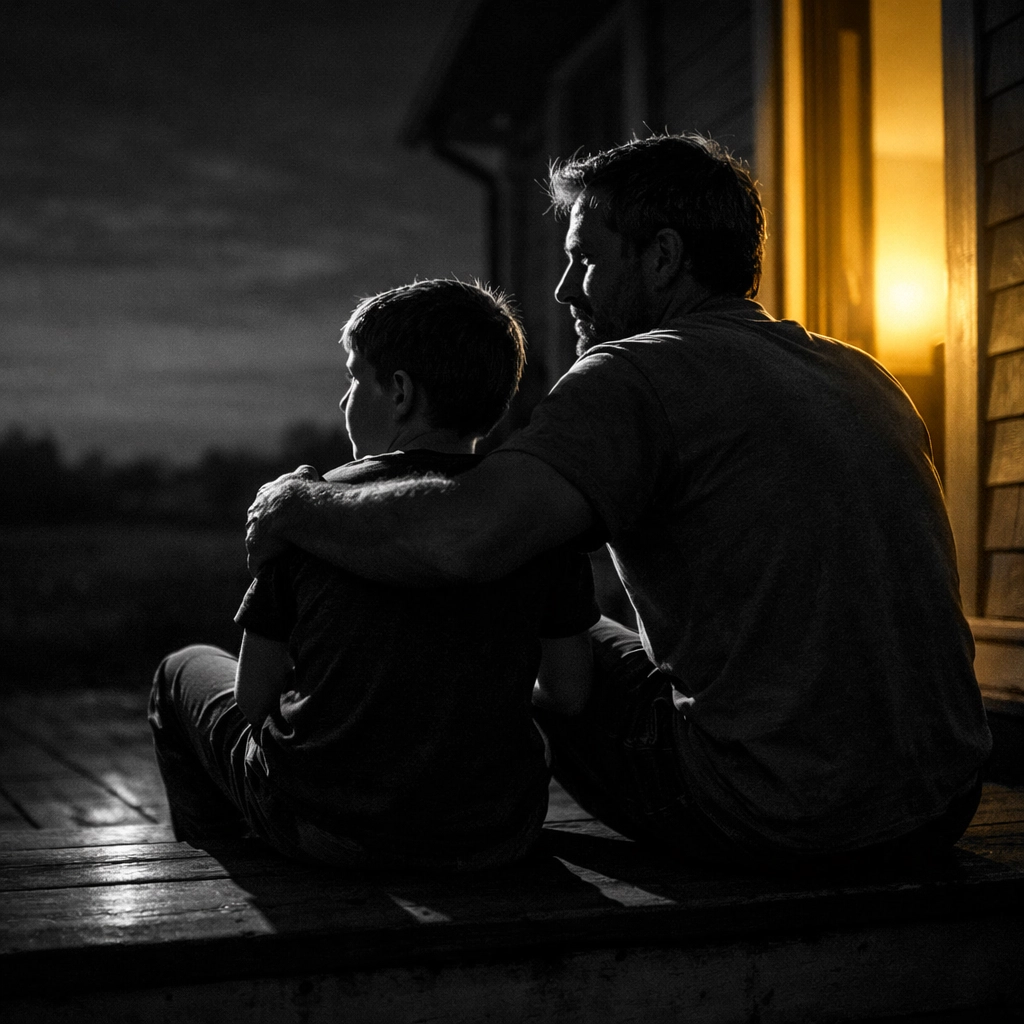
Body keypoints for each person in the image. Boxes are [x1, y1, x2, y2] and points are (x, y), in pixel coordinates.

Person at [245, 134, 992, 871]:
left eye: (587, 258)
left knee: (519, 613)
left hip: (779, 811)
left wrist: (293, 501)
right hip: (939, 801)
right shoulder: (859, 371)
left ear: (662, 257)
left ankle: (378, 810)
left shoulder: (633, 372)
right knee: (578, 630)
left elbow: (460, 540)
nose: (567, 288)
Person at [149, 279, 599, 871]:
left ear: (400, 394)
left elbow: (251, 700)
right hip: (493, 835)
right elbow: (569, 692)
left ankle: (227, 869)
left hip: (326, 829)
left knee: (179, 671)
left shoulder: (310, 511)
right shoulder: (531, 519)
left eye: (354, 376)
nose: (343, 400)